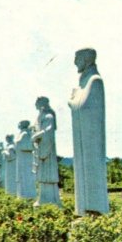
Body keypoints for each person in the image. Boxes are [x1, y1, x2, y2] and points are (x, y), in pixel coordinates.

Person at [68, 48, 109, 215]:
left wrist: (72, 101)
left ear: (86, 59)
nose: (75, 63)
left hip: (91, 143)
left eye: (77, 59)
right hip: (83, 142)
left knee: (91, 175)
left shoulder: (95, 81)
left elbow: (84, 107)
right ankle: (83, 209)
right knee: (82, 175)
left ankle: (95, 209)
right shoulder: (84, 83)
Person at [31, 96, 61, 206]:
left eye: (37, 103)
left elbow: (48, 131)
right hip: (41, 147)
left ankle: (51, 200)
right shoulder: (41, 116)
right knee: (42, 174)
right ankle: (43, 198)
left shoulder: (48, 116)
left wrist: (37, 135)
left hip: (47, 149)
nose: (35, 105)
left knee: (48, 173)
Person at [15, 120, 37, 199]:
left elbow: (28, 146)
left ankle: (27, 196)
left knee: (26, 176)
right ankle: (22, 195)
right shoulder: (23, 133)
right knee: (22, 176)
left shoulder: (25, 134)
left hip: (26, 159)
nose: (18, 125)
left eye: (19, 123)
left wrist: (18, 144)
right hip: (21, 158)